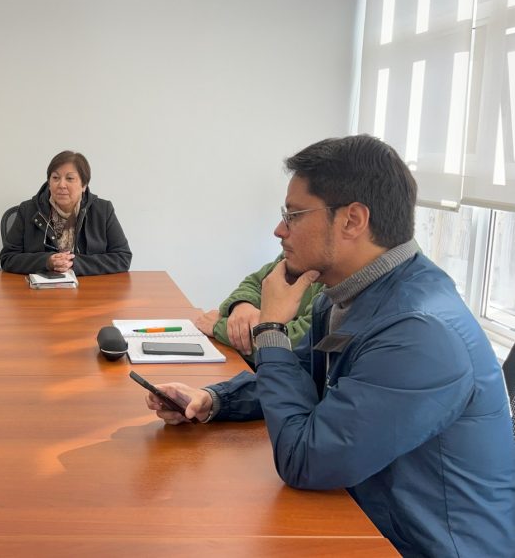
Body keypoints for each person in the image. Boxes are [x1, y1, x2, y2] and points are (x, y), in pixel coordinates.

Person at [143, 135, 515, 556]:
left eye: (293, 215)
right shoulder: (347, 295)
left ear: (352, 220)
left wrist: (271, 329)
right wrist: (215, 400)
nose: (279, 230)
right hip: (369, 516)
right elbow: (304, 375)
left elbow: (306, 460)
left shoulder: (420, 332)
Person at [0, 150, 132, 275]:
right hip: (40, 287)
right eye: (55, 177)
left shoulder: (103, 210)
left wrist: (74, 264)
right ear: (49, 182)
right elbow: (8, 258)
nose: (61, 185)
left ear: (84, 185)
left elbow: (123, 258)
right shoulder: (28, 210)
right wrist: (47, 262)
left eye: (69, 178)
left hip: (89, 287)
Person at [193, 254, 323, 360]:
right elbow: (255, 283)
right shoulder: (294, 254)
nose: (278, 233)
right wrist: (242, 305)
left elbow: (295, 346)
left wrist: (221, 326)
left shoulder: (330, 282)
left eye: (292, 224)